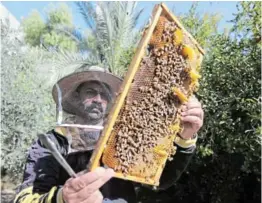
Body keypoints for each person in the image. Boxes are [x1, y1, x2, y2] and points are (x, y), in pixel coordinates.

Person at [14, 66, 204, 203]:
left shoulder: (123, 138)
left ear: (111, 101)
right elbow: (24, 198)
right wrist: (62, 198)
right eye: (90, 92)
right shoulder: (52, 142)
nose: (98, 99)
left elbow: (161, 180)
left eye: (104, 94)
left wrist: (185, 137)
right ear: (76, 97)